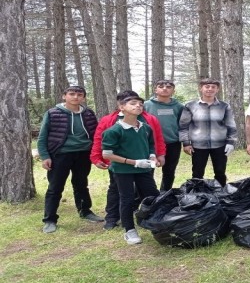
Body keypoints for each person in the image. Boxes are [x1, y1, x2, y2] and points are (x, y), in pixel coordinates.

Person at [91, 90, 166, 230]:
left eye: (139, 103)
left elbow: (156, 139)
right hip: (120, 166)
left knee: (147, 189)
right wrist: (96, 157)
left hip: (144, 163)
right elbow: (99, 139)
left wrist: (158, 154)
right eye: (131, 102)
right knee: (116, 190)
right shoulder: (109, 120)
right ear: (121, 104)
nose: (137, 105)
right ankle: (112, 218)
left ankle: (148, 216)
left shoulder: (149, 120)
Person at [37, 85, 103, 233]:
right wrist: (45, 156)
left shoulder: (88, 114)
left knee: (81, 184)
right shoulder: (53, 113)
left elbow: (96, 135)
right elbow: (42, 137)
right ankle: (50, 219)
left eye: (79, 95)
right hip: (60, 155)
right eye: (72, 94)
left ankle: (85, 211)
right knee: (55, 187)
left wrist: (97, 153)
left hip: (83, 154)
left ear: (83, 98)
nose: (75, 97)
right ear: (64, 96)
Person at [179, 78, 237, 186]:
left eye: (213, 87)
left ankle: (221, 194)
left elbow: (231, 125)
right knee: (197, 173)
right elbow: (183, 126)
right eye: (207, 86)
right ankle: (196, 195)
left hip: (220, 145)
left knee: (220, 172)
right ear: (201, 88)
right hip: (198, 146)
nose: (210, 89)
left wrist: (231, 142)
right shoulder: (190, 106)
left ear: (217, 89)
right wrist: (186, 143)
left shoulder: (224, 106)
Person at [144, 79, 184, 191]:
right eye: (161, 86)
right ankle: (148, 195)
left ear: (173, 90)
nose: (165, 88)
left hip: (172, 143)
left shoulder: (179, 106)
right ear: (155, 90)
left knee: (169, 171)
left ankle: (164, 195)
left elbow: (183, 125)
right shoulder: (146, 105)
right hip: (150, 144)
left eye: (168, 87)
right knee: (147, 171)